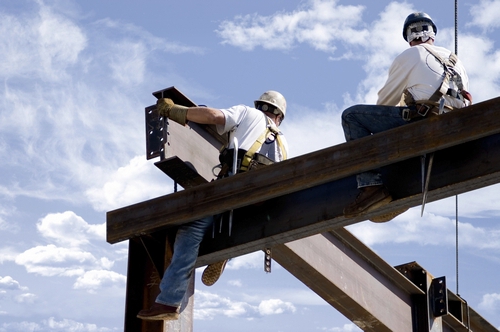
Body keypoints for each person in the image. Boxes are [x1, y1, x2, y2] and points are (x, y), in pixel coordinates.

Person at [137, 90, 289, 320]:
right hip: (264, 205)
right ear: (279, 116)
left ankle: (168, 301)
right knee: (231, 225)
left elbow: (215, 116)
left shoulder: (248, 113)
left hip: (236, 187)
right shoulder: (283, 141)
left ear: (261, 106)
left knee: (192, 230)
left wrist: (176, 111)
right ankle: (224, 252)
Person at [341, 12, 471, 222]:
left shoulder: (410, 55)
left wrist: (371, 142)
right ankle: (402, 185)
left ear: (409, 37)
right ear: (432, 34)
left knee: (352, 116)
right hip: (457, 124)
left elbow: (385, 102)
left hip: (426, 121)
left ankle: (371, 188)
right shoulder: (456, 61)